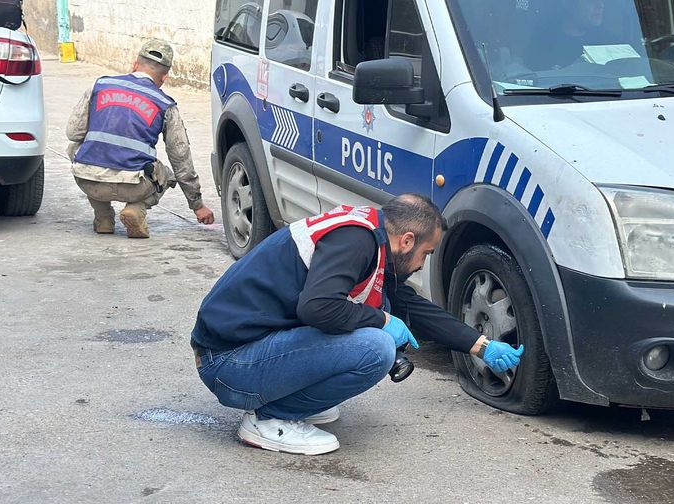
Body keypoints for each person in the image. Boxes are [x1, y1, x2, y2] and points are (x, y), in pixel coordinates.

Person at [190, 194, 525, 455]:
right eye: (426, 253)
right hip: (227, 363)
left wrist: (480, 345)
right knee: (375, 348)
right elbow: (317, 308)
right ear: (406, 240)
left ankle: (287, 404)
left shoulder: (369, 235)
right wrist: (380, 319)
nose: (423, 264)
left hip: (238, 351)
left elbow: (412, 306)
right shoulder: (356, 240)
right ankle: (270, 419)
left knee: (380, 318)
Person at [66, 40, 215, 238]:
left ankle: (103, 216)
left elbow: (73, 132)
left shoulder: (99, 85)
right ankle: (137, 208)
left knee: (75, 147)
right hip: (133, 186)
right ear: (164, 78)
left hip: (89, 181)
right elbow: (182, 160)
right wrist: (197, 205)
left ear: (135, 65)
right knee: (169, 173)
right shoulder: (165, 104)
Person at [527, 0, 614, 71]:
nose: (600, 5)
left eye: (602, 1)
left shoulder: (610, 43)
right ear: (569, 4)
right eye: (590, 1)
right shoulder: (543, 43)